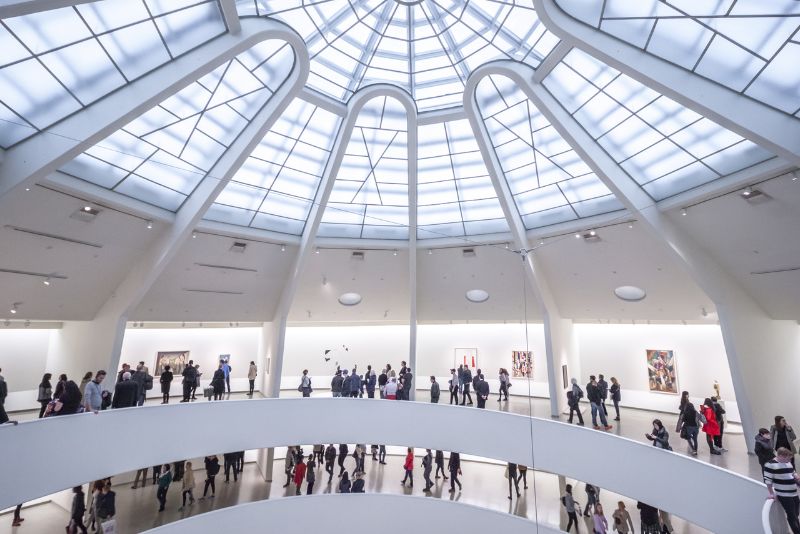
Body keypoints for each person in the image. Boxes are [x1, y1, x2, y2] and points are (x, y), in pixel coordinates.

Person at [765, 447, 800, 534]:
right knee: (792, 515)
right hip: (784, 495)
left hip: (794, 493)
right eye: (787, 458)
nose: (789, 461)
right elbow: (768, 481)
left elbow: (792, 471)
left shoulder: (787, 462)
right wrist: (771, 493)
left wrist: (796, 476)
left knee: (796, 514)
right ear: (781, 456)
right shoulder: (770, 465)